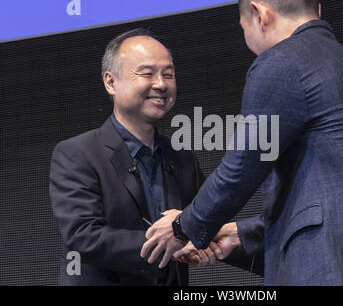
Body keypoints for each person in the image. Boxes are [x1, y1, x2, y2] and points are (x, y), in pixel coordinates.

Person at [141, 0, 343, 285]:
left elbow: (239, 170)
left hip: (337, 268)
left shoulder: (280, 62)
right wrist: (234, 233)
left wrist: (181, 226)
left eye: (244, 29)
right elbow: (330, 198)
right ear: (317, 12)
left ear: (259, 14)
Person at [49, 29, 220, 285]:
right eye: (147, 73)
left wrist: (202, 241)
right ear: (110, 82)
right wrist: (173, 241)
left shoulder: (183, 160)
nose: (161, 84)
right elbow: (84, 235)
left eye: (169, 75)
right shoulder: (76, 153)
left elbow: (207, 218)